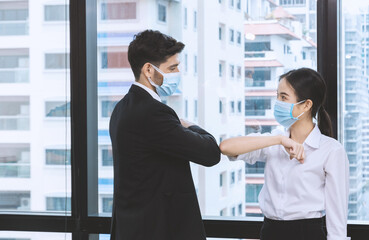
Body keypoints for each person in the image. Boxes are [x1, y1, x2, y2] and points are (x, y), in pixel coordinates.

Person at [109, 30, 221, 240]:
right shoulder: (152, 113)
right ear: (149, 70)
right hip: (157, 230)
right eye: (172, 67)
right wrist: (189, 125)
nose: (178, 72)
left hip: (132, 228)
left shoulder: (121, 108)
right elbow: (210, 153)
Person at [220, 68, 350, 240]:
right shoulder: (274, 141)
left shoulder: (331, 150)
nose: (277, 103)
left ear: (306, 104)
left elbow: (337, 216)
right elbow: (226, 147)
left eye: (283, 97)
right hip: (270, 231)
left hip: (307, 233)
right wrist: (279, 140)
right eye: (277, 96)